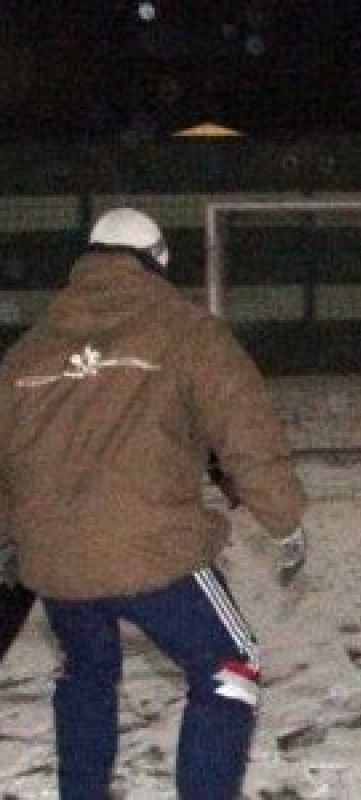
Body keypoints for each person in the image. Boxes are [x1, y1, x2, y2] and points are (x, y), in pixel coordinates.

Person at [0, 208, 308, 799]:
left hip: (55, 556)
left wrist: (13, 540)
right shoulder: (186, 329)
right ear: (159, 261)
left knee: (86, 672)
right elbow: (246, 430)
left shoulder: (30, 347)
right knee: (228, 665)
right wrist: (284, 519)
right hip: (149, 547)